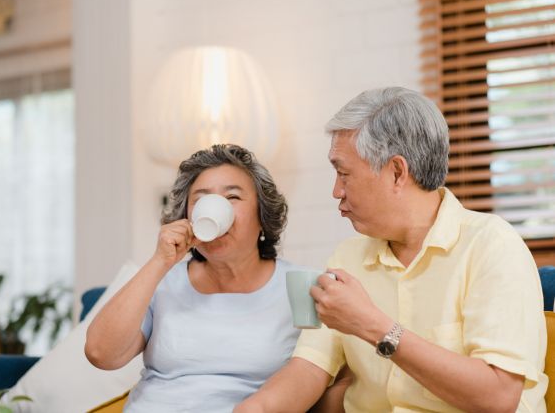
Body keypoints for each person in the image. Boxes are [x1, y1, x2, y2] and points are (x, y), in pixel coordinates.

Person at [235, 87, 547, 412]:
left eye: (344, 173)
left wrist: (373, 325)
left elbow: (498, 398)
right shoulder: (348, 258)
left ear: (397, 172)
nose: (335, 191)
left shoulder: (490, 246)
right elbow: (309, 367)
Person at [85, 144, 335, 412]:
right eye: (201, 199)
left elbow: (320, 377)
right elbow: (101, 354)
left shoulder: (301, 285)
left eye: (233, 197)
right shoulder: (162, 282)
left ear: (263, 216)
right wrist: (161, 261)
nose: (215, 207)